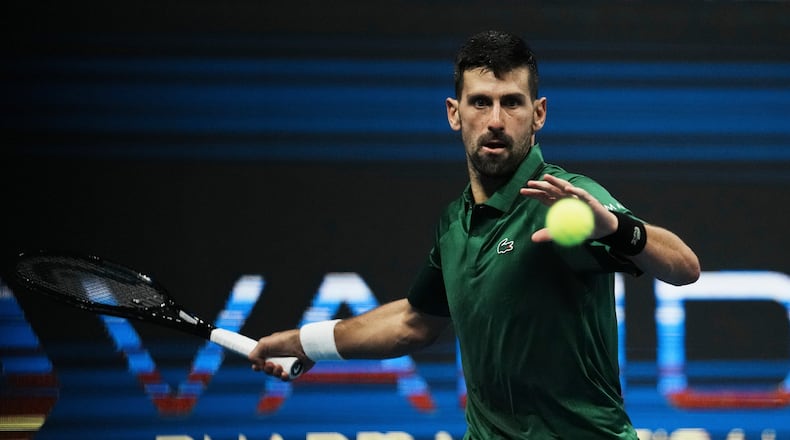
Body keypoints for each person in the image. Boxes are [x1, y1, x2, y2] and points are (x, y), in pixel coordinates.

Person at [249, 30, 700, 439]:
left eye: (512, 102)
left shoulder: (565, 199)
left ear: (539, 114)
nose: (496, 120)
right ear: (455, 113)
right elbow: (412, 323)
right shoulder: (454, 222)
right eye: (481, 102)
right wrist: (306, 343)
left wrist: (617, 228)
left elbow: (684, 268)